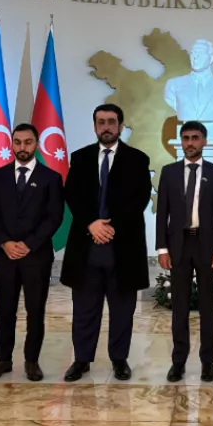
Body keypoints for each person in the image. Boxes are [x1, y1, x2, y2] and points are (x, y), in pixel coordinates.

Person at [61, 104, 152, 382]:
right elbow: (73, 195)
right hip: (86, 247)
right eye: (101, 122)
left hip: (122, 247)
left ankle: (119, 359)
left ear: (120, 126)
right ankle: (82, 359)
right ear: (94, 126)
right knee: (84, 308)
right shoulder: (80, 158)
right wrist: (92, 223)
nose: (106, 127)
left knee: (122, 309)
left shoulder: (138, 159)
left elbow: (140, 199)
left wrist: (110, 227)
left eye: (112, 122)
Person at [0, 123, 64, 381]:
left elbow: (54, 217)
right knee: (4, 309)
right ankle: (2, 359)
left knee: (35, 310)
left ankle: (31, 360)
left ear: (36, 144)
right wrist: (5, 242)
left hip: (36, 256)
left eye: (28, 142)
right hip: (5, 255)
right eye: (17, 142)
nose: (22, 147)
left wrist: (29, 244)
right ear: (11, 144)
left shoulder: (51, 177)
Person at [156, 121, 213, 382]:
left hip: (206, 245)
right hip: (178, 245)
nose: (190, 143)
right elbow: (162, 213)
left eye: (195, 138)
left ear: (204, 141)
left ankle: (208, 362)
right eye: (185, 138)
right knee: (180, 306)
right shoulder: (169, 172)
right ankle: (178, 361)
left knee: (208, 306)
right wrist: (162, 248)